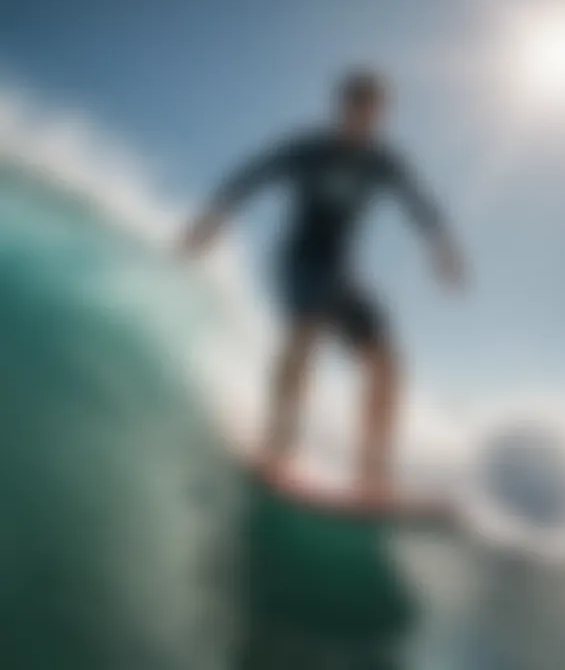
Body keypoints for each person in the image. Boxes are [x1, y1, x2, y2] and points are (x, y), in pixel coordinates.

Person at [181, 69, 465, 503]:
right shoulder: (309, 150)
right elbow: (252, 174)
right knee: (306, 332)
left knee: (387, 362)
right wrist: (212, 218)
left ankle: (371, 472)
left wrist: (441, 246)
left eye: (374, 112)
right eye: (358, 109)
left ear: (381, 114)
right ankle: (277, 443)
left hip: (342, 273)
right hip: (300, 261)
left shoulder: (383, 162)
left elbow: (419, 202)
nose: (365, 120)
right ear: (342, 108)